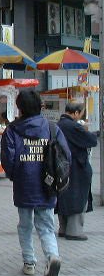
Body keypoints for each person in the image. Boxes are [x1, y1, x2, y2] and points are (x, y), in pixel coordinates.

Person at [0, 89, 70, 276]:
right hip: (48, 185)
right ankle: (52, 256)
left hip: (24, 185)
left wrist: (15, 175)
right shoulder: (52, 128)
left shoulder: (12, 130)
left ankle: (29, 262)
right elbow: (66, 156)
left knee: (25, 225)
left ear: (20, 108)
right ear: (40, 106)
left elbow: (8, 159)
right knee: (46, 226)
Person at [55, 101, 97, 241]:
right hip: (77, 168)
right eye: (81, 114)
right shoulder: (73, 126)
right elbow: (92, 140)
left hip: (61, 167)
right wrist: (85, 129)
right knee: (78, 197)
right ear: (76, 113)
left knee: (63, 197)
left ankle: (63, 228)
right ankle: (74, 231)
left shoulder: (58, 125)